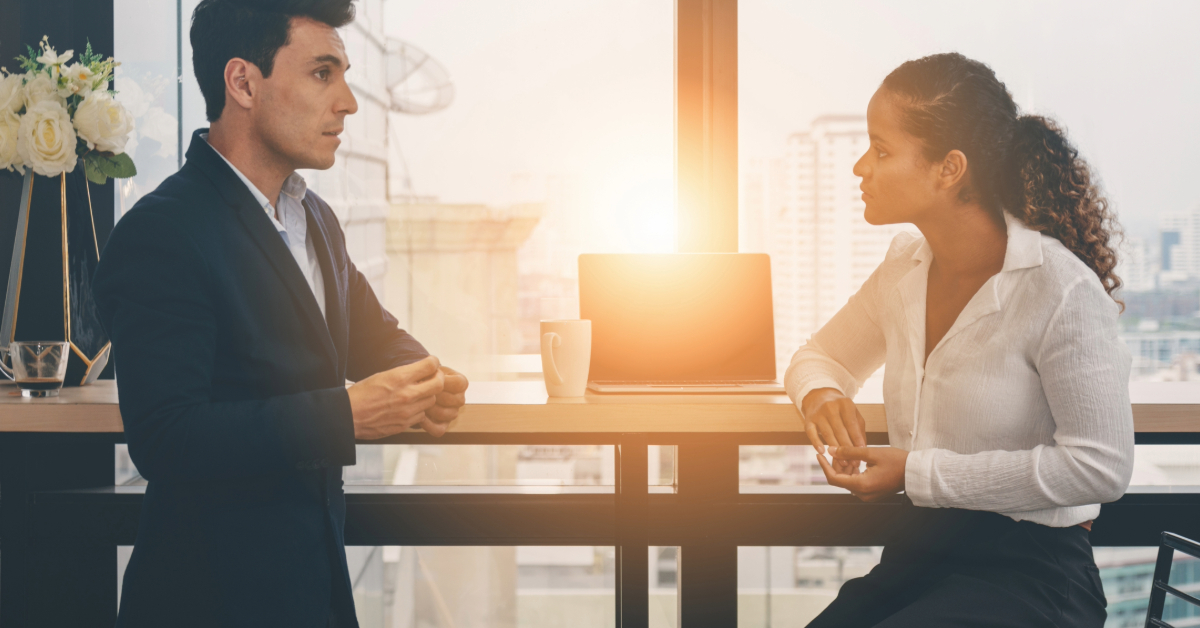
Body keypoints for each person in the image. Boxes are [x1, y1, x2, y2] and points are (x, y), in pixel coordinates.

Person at [91, 1, 467, 626]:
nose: (347, 102)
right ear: (242, 82)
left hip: (316, 590)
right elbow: (166, 439)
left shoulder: (315, 218)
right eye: (323, 73)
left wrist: (428, 377)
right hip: (206, 600)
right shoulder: (162, 231)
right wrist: (345, 414)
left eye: (345, 74)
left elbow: (373, 336)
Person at [786, 52, 1134, 627]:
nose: (859, 168)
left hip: (1033, 576)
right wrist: (821, 394)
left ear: (949, 169)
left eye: (880, 150)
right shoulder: (904, 268)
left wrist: (915, 473)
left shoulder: (1060, 288)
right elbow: (818, 357)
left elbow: (1101, 467)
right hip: (915, 557)